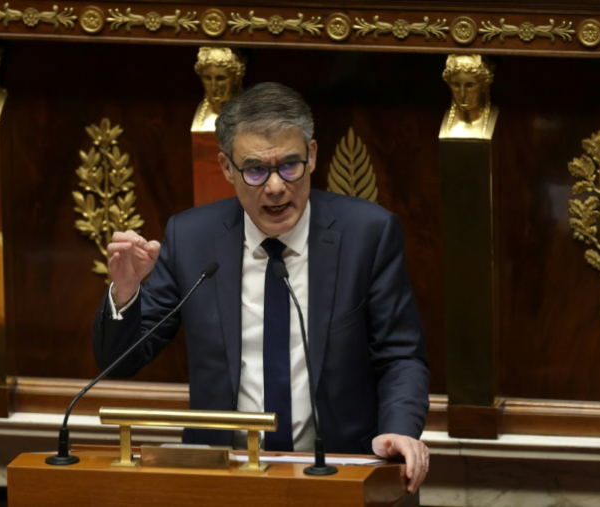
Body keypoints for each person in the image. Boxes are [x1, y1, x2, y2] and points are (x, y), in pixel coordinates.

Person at [94, 82, 430, 492]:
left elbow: (401, 355)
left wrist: (400, 429)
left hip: (341, 473)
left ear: (312, 156)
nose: (274, 187)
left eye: (289, 165)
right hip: (222, 479)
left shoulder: (368, 234)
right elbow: (120, 360)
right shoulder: (192, 238)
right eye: (254, 170)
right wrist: (126, 294)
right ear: (226, 168)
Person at [440, 54, 496, 139]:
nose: (462, 94)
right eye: (456, 85)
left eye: (469, 85)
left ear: (484, 85)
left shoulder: (500, 122)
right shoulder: (439, 120)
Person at [191, 47, 246, 132]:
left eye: (220, 78)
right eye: (207, 78)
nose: (213, 87)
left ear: (236, 78)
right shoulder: (201, 114)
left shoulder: (248, 115)